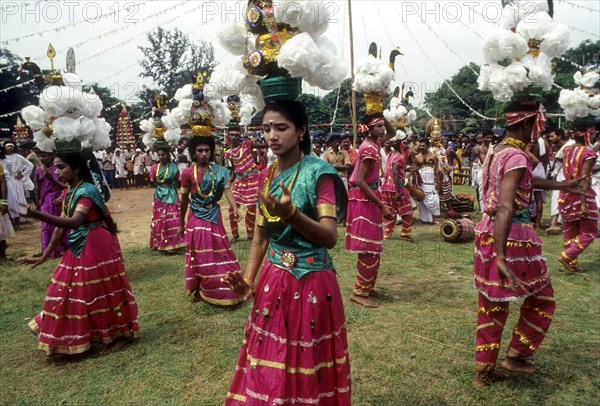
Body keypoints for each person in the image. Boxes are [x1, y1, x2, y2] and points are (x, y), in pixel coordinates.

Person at [224, 100, 351, 405]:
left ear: (301, 130)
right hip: (273, 278)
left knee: (308, 359)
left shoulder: (318, 173)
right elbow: (260, 238)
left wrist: (292, 214)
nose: (272, 136)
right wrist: (248, 280)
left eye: (281, 128)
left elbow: (330, 236)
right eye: (266, 128)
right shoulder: (267, 175)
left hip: (313, 281)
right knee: (269, 356)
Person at [473, 100, 586, 388]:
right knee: (542, 298)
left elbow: (524, 184)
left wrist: (564, 186)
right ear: (526, 124)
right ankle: (517, 355)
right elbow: (507, 206)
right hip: (512, 236)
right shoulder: (518, 156)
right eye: (539, 124)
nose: (542, 130)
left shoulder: (496, 152)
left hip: (487, 231)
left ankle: (483, 372)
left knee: (492, 303)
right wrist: (501, 255)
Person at [20, 146, 139, 356]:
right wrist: (45, 255)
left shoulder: (87, 190)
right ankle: (78, 334)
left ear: (75, 168)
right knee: (66, 288)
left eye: (61, 167)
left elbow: (74, 222)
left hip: (95, 243)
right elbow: (61, 227)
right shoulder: (69, 191)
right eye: (56, 168)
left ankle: (118, 335)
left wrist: (39, 215)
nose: (56, 172)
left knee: (97, 290)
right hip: (80, 243)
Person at [178, 135, 243, 306]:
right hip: (196, 217)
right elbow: (184, 200)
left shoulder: (220, 171)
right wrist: (180, 224)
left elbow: (227, 190)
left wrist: (235, 207)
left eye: (207, 150)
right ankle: (201, 287)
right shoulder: (187, 173)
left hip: (214, 214)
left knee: (218, 249)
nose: (204, 154)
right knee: (200, 253)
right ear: (193, 153)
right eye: (200, 150)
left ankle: (219, 285)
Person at [346, 114, 395, 308]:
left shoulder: (375, 143)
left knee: (374, 245)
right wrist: (381, 205)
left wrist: (379, 112)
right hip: (364, 197)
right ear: (368, 129)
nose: (383, 130)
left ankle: (367, 287)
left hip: (371, 194)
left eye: (382, 126)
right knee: (368, 245)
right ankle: (359, 291)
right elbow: (359, 180)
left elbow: (392, 132)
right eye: (378, 127)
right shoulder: (368, 148)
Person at [557, 127, 598, 273]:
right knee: (590, 232)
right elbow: (584, 178)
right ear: (589, 135)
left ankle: (571, 264)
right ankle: (567, 256)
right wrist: (583, 204)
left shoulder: (568, 150)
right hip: (580, 195)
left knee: (570, 232)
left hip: (565, 195)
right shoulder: (589, 154)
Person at [224, 131, 261, 243]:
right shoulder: (229, 153)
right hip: (239, 181)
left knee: (251, 208)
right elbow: (235, 168)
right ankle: (235, 234)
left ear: (240, 137)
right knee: (232, 207)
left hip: (252, 179)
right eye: (232, 135)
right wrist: (230, 181)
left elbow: (262, 146)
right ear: (228, 137)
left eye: (236, 135)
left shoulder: (247, 145)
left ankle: (250, 234)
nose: (234, 137)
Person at [149, 145, 187, 252]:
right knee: (159, 218)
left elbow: (179, 180)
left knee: (171, 218)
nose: (161, 157)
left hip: (171, 194)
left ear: (168, 155)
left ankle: (174, 242)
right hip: (159, 195)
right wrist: (161, 186)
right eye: (159, 155)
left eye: (163, 155)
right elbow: (153, 181)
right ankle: (159, 242)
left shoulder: (173, 167)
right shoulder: (154, 167)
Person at [33, 144, 68, 258]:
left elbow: (65, 185)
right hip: (45, 200)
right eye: (40, 156)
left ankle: (57, 250)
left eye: (44, 156)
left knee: (56, 224)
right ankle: (45, 249)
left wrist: (61, 197)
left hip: (57, 198)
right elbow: (37, 186)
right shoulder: (39, 170)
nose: (42, 158)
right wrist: (38, 201)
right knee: (45, 226)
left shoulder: (58, 169)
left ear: (51, 155)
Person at [381, 137, 413, 241]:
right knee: (407, 211)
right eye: (404, 143)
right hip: (397, 187)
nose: (406, 144)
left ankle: (387, 233)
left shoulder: (391, 154)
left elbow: (394, 170)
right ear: (400, 144)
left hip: (386, 187)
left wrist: (407, 169)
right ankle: (405, 233)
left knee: (390, 210)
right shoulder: (398, 156)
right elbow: (395, 172)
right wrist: (398, 191)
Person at [546, 129, 574, 235]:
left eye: (552, 136)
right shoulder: (557, 147)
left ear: (560, 136)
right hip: (559, 176)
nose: (550, 138)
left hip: (570, 177)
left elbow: (573, 161)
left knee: (569, 200)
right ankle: (554, 224)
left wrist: (560, 158)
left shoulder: (571, 145)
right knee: (555, 198)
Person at [2, 140, 34, 227]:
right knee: (9, 199)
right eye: (8, 146)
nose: (10, 148)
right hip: (6, 180)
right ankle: (11, 219)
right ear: (4, 147)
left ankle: (21, 218)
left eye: (11, 146)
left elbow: (30, 165)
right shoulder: (2, 157)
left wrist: (23, 175)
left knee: (19, 198)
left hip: (16, 180)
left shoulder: (18, 157)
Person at [414, 138, 441, 224]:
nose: (421, 147)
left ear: (428, 146)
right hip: (421, 180)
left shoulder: (433, 156)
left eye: (423, 145)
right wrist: (415, 182)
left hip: (431, 180)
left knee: (434, 199)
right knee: (422, 197)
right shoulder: (416, 157)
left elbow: (437, 170)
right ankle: (424, 219)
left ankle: (435, 217)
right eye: (420, 145)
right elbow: (415, 170)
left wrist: (438, 182)